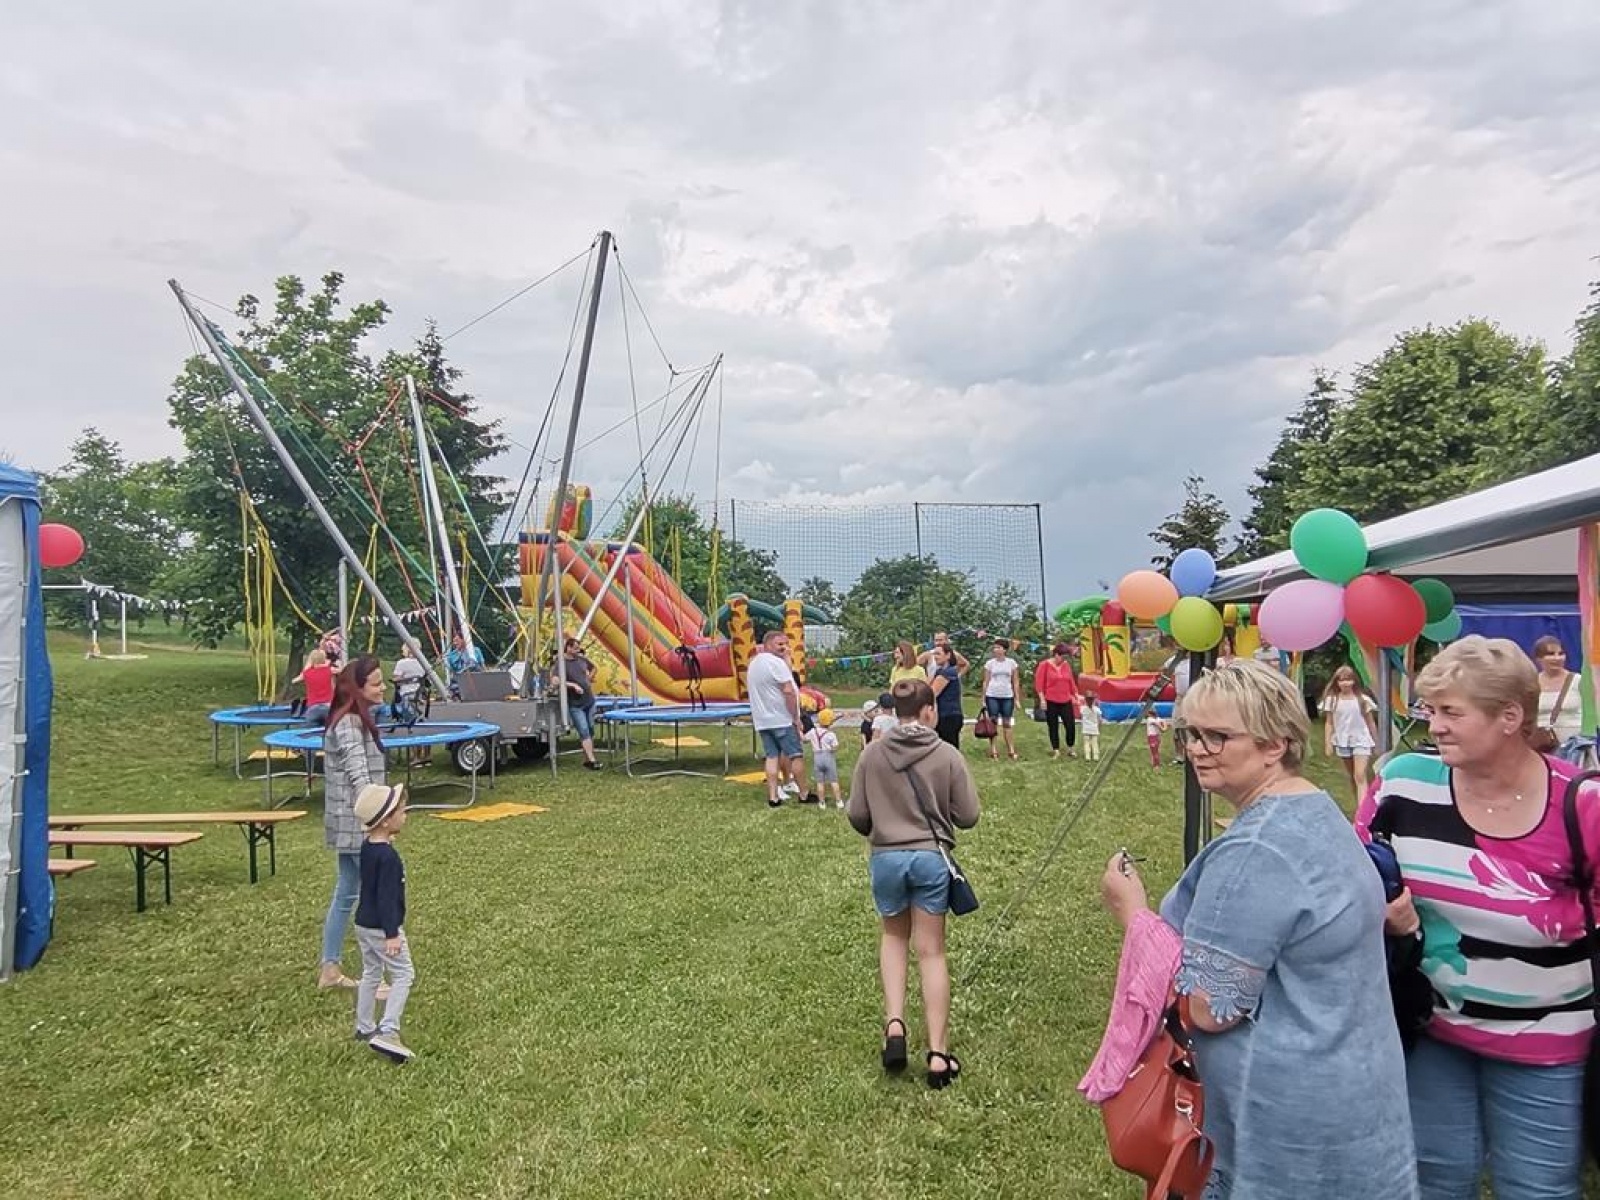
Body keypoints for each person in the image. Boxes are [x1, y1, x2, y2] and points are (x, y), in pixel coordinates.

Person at [1101, 660, 1416, 1198]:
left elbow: (1212, 1007)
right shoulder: (1319, 810)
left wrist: (1133, 912)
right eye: (1190, 734)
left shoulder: (1256, 848)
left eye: (1218, 736)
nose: (1197, 749)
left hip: (1283, 1116)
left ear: (1276, 744)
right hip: (1352, 1086)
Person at [1358, 636, 1600, 1199]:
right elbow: (1354, 871)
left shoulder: (1582, 804)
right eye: (1430, 710)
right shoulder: (1402, 783)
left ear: (1509, 717)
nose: (1434, 725)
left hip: (1548, 1041)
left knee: (1536, 1188)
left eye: (1451, 712)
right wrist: (1384, 912)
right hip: (1432, 1029)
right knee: (1432, 1179)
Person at [847, 679, 981, 1089]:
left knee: (893, 938)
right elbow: (969, 814)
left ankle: (894, 1026)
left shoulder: (872, 754)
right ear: (928, 712)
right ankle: (938, 1054)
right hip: (930, 860)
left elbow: (857, 815)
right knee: (932, 952)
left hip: (886, 858)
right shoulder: (946, 754)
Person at [318, 656, 388, 991]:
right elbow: (359, 775)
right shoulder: (348, 724)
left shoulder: (357, 719)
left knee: (347, 892)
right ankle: (375, 978)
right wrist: (379, 819)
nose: (383, 687)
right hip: (358, 824)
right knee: (376, 897)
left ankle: (329, 969)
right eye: (376, 683)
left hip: (351, 823)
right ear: (356, 689)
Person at [352, 782, 417, 1063]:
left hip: (363, 923)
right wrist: (392, 933)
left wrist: (386, 838)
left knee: (371, 972)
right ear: (386, 820)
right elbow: (387, 898)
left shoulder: (369, 847)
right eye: (402, 811)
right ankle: (388, 1030)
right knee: (403, 973)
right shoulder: (388, 858)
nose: (406, 815)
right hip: (382, 927)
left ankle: (364, 1026)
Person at [747, 631, 815, 807]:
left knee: (772, 756)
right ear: (767, 644)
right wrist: (795, 718)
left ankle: (773, 796)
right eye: (779, 644)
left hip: (763, 720)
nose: (784, 647)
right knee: (796, 755)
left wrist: (786, 659)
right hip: (782, 719)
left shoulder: (754, 663)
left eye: (786, 643)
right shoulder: (775, 663)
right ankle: (804, 794)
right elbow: (788, 691)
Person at [1319, 665, 1379, 804]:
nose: (1345, 683)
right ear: (1336, 682)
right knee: (1353, 776)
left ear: (1354, 681)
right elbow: (1329, 723)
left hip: (1361, 740)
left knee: (1360, 775)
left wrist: (1376, 742)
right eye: (1341, 680)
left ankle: (1363, 814)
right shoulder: (1332, 701)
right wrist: (1328, 743)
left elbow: (1370, 722)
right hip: (1343, 741)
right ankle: (1361, 804)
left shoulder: (1362, 700)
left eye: (1348, 680)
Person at [1531, 634, 1586, 762]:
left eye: (1561, 653)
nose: (1557, 658)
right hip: (1543, 747)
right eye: (1550, 654)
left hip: (1574, 749)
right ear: (1539, 658)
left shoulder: (1578, 681)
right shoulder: (1532, 683)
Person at [560, 636, 602, 771]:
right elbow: (555, 680)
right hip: (575, 704)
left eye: (579, 648)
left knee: (589, 729)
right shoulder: (561, 664)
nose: (578, 651)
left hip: (589, 700)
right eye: (576, 648)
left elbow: (594, 668)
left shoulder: (582, 660)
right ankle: (592, 760)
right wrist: (572, 685)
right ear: (568, 648)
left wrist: (589, 678)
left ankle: (587, 758)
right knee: (583, 730)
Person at [1033, 642, 1081, 759]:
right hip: (1050, 700)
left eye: (1066, 658)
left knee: (1070, 725)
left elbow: (1071, 682)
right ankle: (1056, 749)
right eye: (1063, 657)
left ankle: (1070, 747)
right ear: (1056, 655)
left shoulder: (1066, 665)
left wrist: (1076, 695)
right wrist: (1042, 700)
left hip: (1065, 699)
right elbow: (1039, 684)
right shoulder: (1044, 665)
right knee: (1053, 725)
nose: (1064, 660)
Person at [980, 639, 1021, 761]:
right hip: (992, 695)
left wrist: (1017, 698)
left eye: (998, 647)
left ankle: (1011, 749)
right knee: (993, 722)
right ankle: (993, 749)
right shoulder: (990, 664)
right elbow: (985, 681)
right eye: (995, 647)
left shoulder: (1011, 663)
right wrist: (983, 698)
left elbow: (1015, 681)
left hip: (1007, 696)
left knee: (1007, 723)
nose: (996, 650)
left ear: (1005, 650)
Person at [391, 644, 430, 765]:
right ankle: (427, 755)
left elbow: (396, 679)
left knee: (411, 726)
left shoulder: (402, 663)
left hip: (408, 696)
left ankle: (416, 756)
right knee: (424, 724)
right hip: (422, 696)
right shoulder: (423, 661)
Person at [803, 708, 844, 808]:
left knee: (820, 782)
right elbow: (835, 747)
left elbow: (804, 739)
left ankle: (821, 802)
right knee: (834, 781)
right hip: (828, 757)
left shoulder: (813, 732)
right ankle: (838, 801)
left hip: (817, 757)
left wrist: (799, 731)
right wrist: (831, 749)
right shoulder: (831, 735)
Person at [928, 644, 965, 747]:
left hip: (949, 716)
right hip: (942, 715)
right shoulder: (939, 671)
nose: (935, 656)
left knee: (949, 749)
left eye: (938, 654)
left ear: (948, 655)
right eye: (934, 654)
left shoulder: (949, 672)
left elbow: (932, 693)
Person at [293, 648, 335, 722]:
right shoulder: (329, 670)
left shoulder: (306, 673)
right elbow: (343, 669)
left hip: (313, 708)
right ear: (324, 659)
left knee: (309, 730)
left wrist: (308, 665)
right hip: (328, 707)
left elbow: (294, 681)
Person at [1079, 694, 1101, 761]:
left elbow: (1080, 716)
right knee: (1095, 743)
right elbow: (1099, 719)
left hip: (1086, 729)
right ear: (1094, 700)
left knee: (1086, 743)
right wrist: (1099, 726)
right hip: (1094, 729)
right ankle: (1095, 756)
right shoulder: (1097, 709)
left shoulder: (1082, 708)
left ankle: (1087, 756)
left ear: (1085, 700)